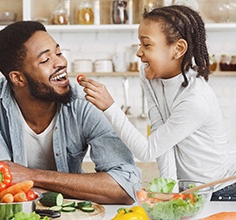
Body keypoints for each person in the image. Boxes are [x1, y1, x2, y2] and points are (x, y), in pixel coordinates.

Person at [0, 21, 142, 204]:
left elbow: (126, 187)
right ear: (18, 78)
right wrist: (81, 189)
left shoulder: (85, 102)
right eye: (45, 60)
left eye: (58, 53)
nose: (61, 62)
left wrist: (31, 176)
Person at [78, 5, 236, 201]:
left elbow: (147, 150)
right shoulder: (150, 76)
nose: (139, 52)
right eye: (139, 44)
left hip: (220, 189)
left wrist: (110, 107)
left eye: (146, 44)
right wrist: (170, 192)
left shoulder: (196, 99)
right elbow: (162, 140)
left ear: (178, 49)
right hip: (191, 192)